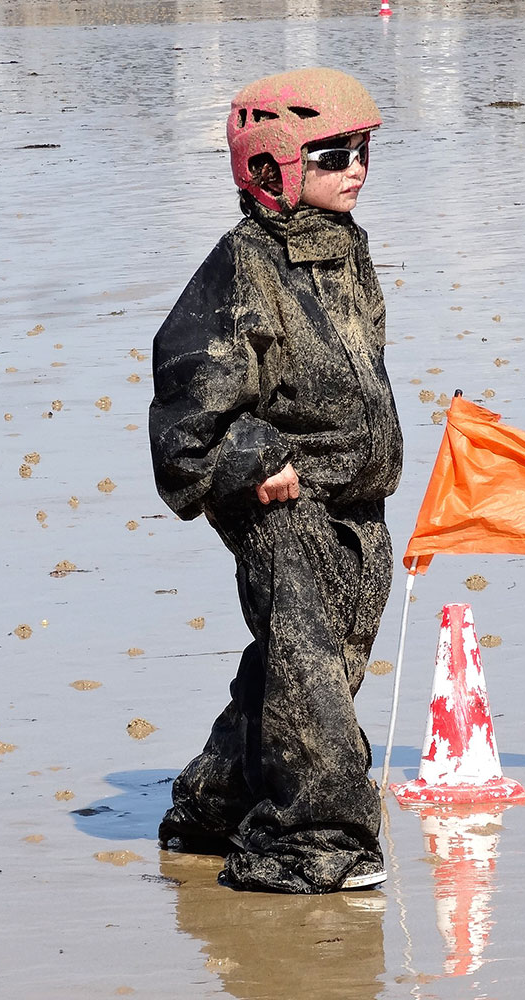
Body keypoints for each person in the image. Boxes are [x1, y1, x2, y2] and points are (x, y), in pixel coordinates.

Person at [149, 68, 402, 894]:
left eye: (363, 151)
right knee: (307, 655)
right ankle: (310, 834)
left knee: (320, 660)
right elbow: (190, 410)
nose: (355, 169)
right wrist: (252, 462)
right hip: (276, 496)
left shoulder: (347, 249)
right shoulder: (242, 264)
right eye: (334, 155)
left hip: (351, 494)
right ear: (273, 169)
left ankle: (216, 798)